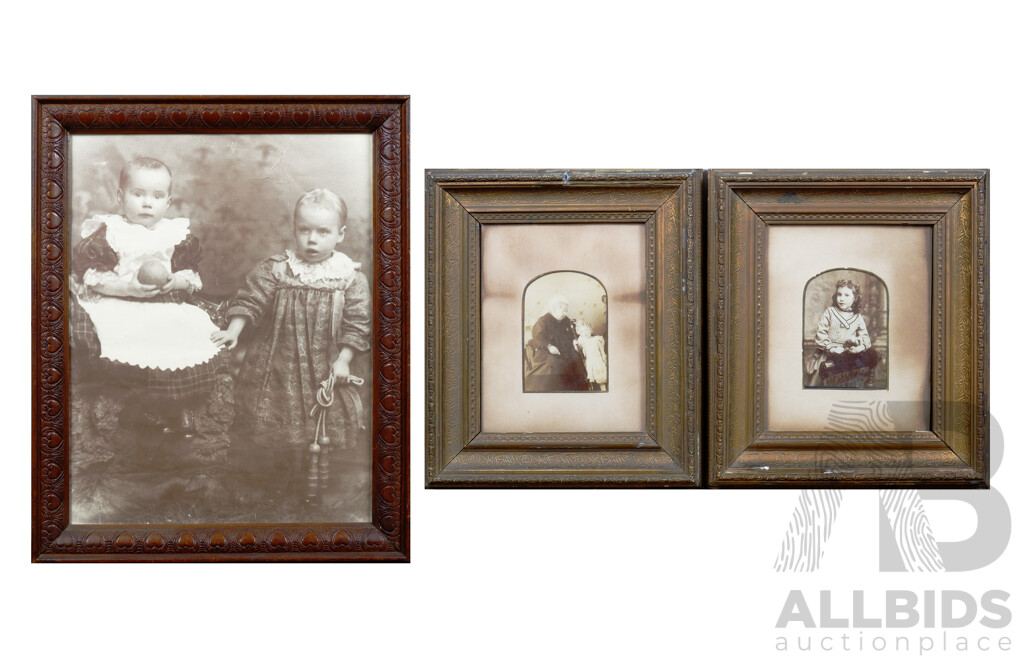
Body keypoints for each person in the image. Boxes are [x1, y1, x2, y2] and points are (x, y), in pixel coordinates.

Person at [212, 189, 371, 492]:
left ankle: (308, 482)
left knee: (319, 417)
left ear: (340, 234)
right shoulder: (277, 268)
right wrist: (233, 330)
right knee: (277, 413)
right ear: (294, 229)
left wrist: (344, 359)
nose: (312, 239)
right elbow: (251, 300)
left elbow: (358, 323)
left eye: (323, 231)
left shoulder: (349, 277)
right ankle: (275, 478)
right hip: (277, 360)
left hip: (325, 361)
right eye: (304, 230)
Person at [71, 156, 221, 437]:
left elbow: (191, 277)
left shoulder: (174, 234)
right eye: (138, 194)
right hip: (121, 302)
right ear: (120, 197)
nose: (147, 203)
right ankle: (141, 409)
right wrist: (127, 289)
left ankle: (180, 407)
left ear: (168, 201)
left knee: (185, 333)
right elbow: (93, 277)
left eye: (157, 195)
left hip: (162, 302)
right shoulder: (111, 232)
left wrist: (174, 281)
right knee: (129, 339)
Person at [804, 279, 879, 387]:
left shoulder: (857, 317)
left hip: (848, 355)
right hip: (829, 353)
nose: (842, 299)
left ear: (855, 298)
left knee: (867, 359)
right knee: (822, 380)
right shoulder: (830, 312)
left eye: (846, 295)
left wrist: (859, 347)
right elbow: (821, 334)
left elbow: (865, 338)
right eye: (839, 294)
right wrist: (832, 348)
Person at [524, 294, 587, 392]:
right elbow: (538, 336)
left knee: (575, 359)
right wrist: (549, 346)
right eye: (563, 310)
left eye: (566, 310)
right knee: (554, 363)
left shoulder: (566, 320)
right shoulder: (543, 321)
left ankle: (575, 390)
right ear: (554, 308)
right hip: (548, 349)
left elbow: (572, 333)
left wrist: (574, 341)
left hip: (566, 349)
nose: (565, 313)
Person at [575, 320, 608, 391]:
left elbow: (602, 351)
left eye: (586, 330)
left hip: (598, 360)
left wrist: (604, 359)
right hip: (590, 361)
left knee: (601, 378)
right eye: (582, 331)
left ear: (591, 329)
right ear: (580, 333)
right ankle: (594, 390)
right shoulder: (582, 341)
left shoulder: (597, 339)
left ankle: (603, 389)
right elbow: (578, 349)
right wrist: (574, 343)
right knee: (593, 377)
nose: (585, 333)